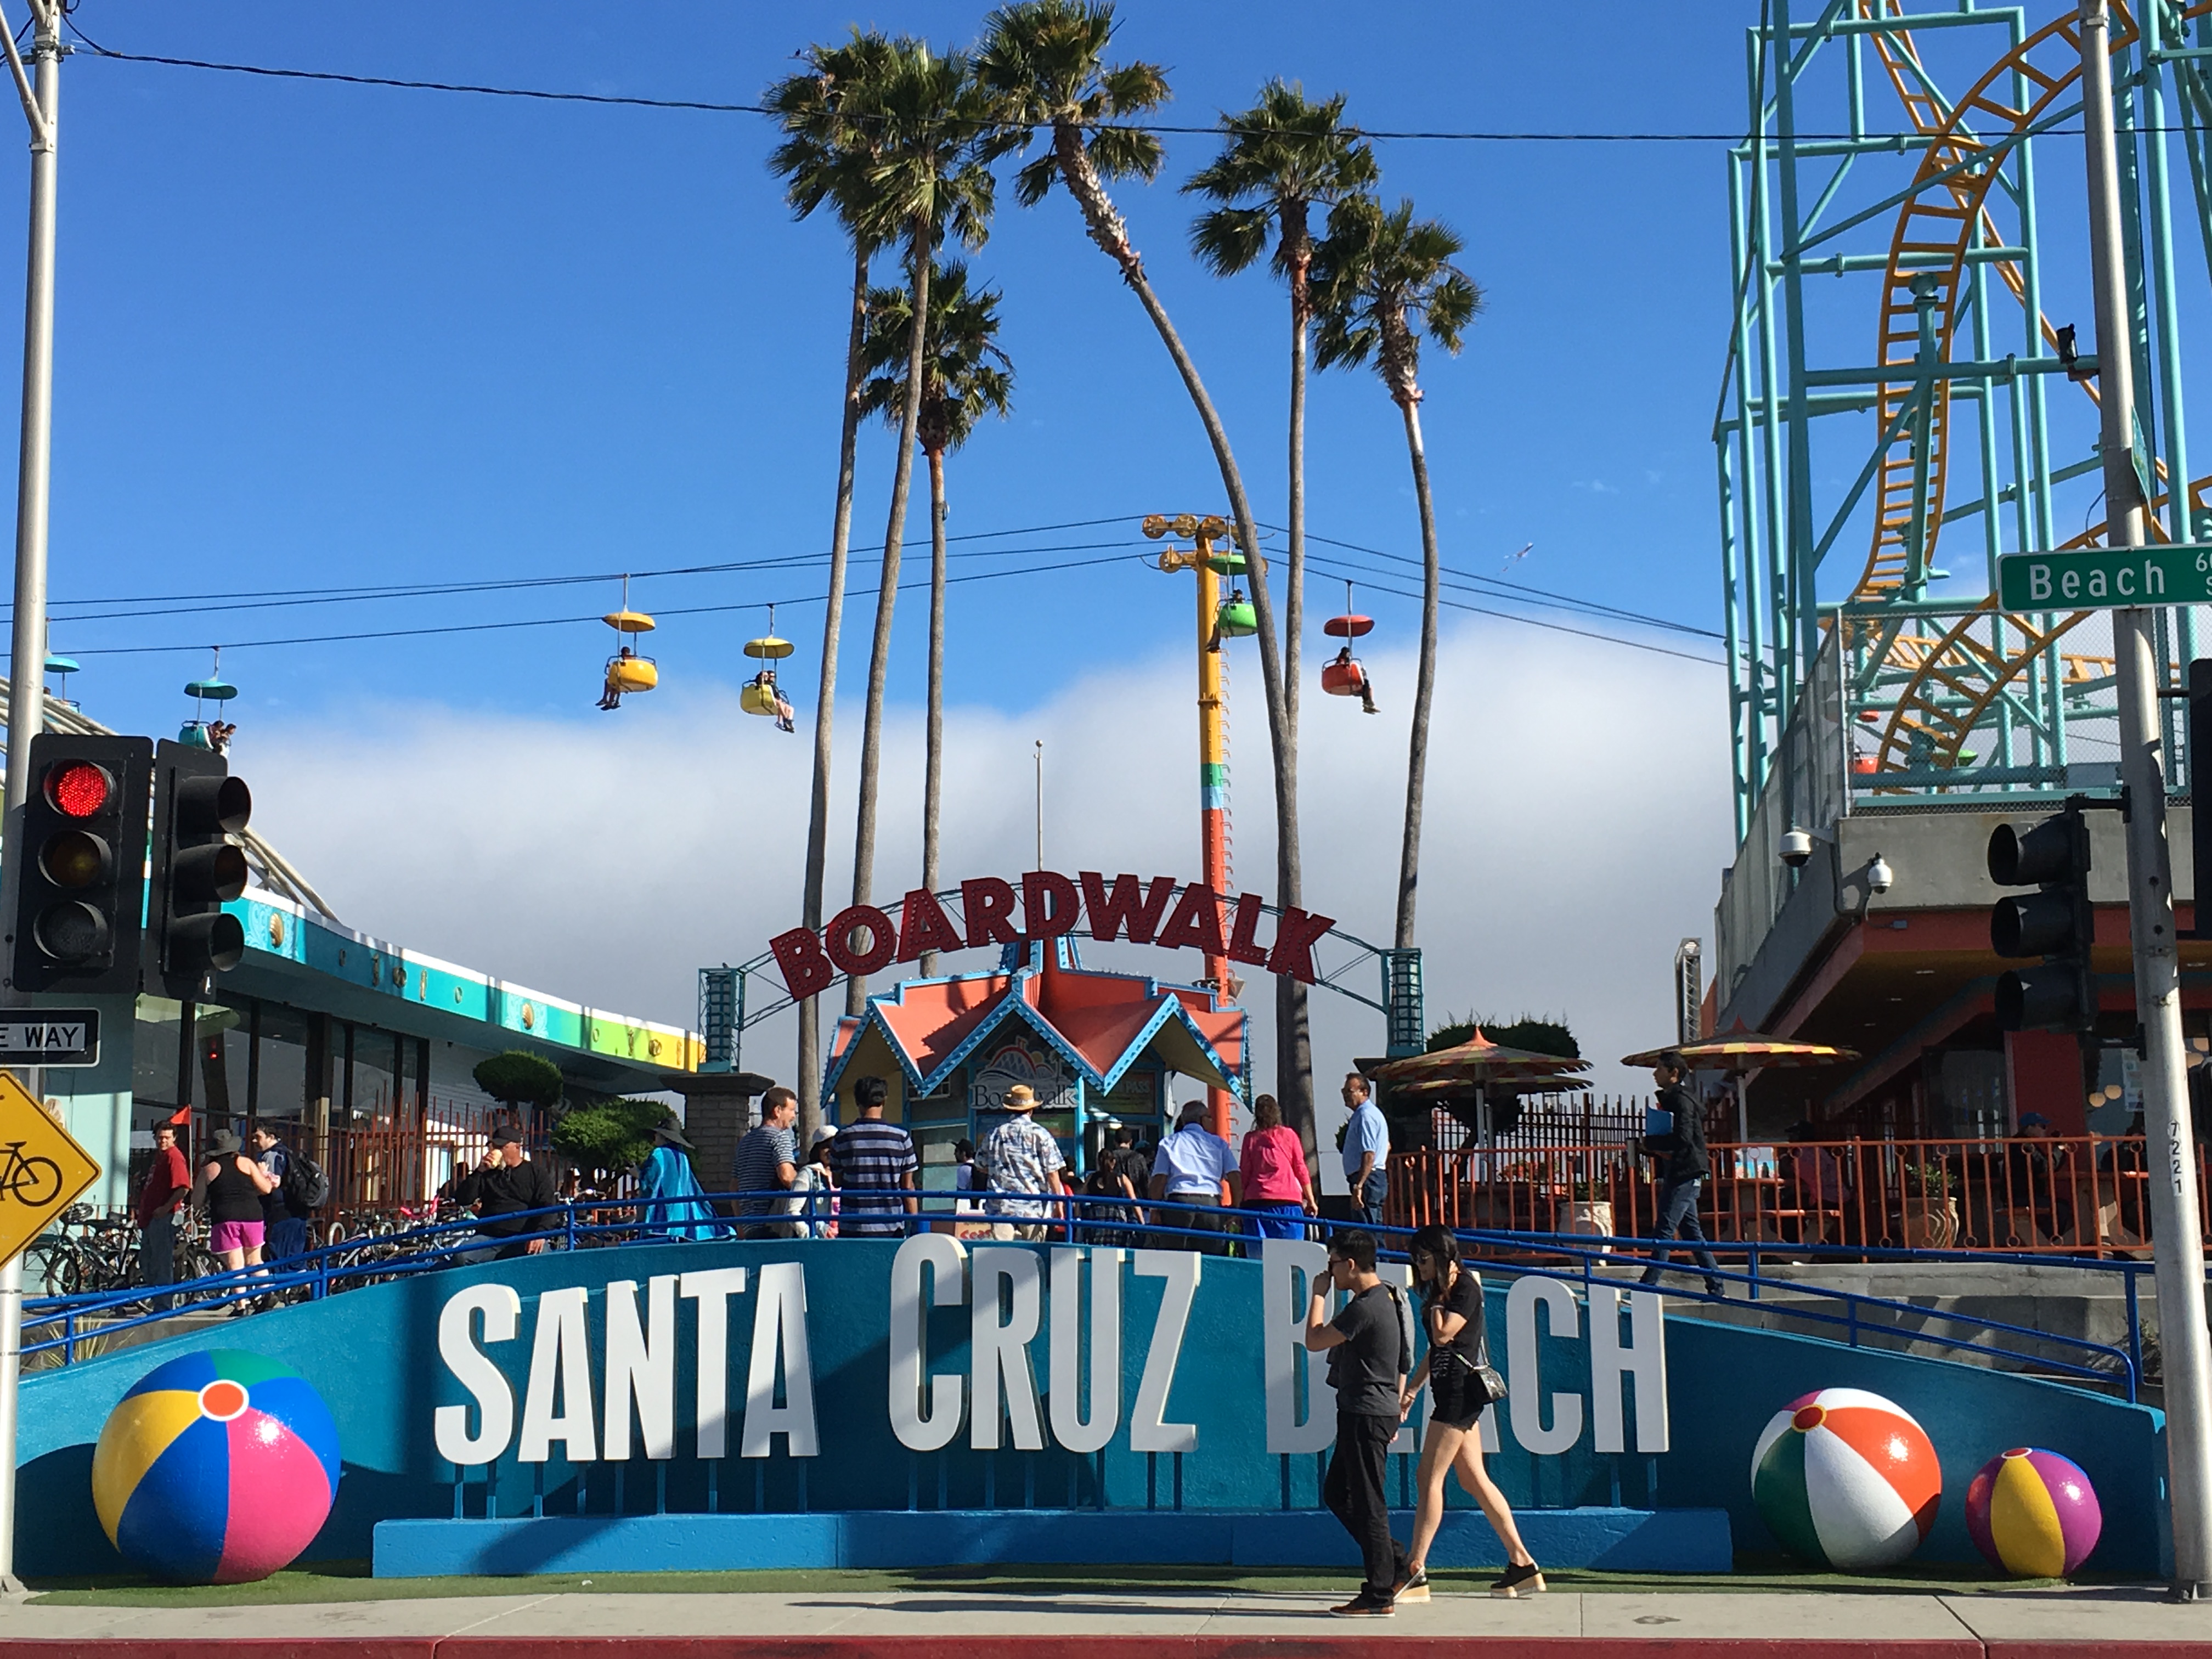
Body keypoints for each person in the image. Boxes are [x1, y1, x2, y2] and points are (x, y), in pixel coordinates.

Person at [1397, 1224, 1543, 1601]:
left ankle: (1415, 1568)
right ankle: (1522, 1563)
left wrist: (1436, 1310)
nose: (1419, 1265)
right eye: (1416, 1259)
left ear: (1441, 1255)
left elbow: (1445, 1334)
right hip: (1448, 1389)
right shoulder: (1443, 1292)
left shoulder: (1464, 1289)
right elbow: (1437, 1349)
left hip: (1461, 1394)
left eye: (1423, 1258)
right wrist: (1413, 1387)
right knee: (1473, 1478)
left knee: (1428, 1474)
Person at [1303, 1229, 1414, 1617]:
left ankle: (1379, 1592)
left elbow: (1314, 1340)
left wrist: (1317, 1294)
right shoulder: (1385, 1297)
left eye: (1332, 1265)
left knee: (1369, 1503)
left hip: (1366, 1411)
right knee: (1339, 1493)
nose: (1329, 1272)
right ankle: (1398, 1563)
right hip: (1366, 1409)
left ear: (1350, 1265)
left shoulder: (1365, 1306)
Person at [1638, 1052, 1724, 1299]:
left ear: (1673, 1073)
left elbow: (1683, 1138)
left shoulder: (1680, 1100)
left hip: (1684, 1172)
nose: (1655, 1074)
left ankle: (1646, 1288)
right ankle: (1716, 1285)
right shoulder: (1678, 1098)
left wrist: (1650, 1142)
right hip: (1685, 1171)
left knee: (1664, 1230)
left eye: (1659, 1069)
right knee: (1692, 1234)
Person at [193, 1128, 276, 1314]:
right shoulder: (246, 1163)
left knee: (235, 1264)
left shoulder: (209, 1170)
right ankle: (268, 1291)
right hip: (253, 1215)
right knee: (255, 1260)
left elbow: (196, 1202)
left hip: (225, 1218)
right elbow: (266, 1189)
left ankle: (241, 1305)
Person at [827, 1076, 920, 1239]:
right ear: (884, 1100)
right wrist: (915, 1224)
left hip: (853, 1226)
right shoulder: (902, 1138)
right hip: (892, 1227)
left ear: (857, 1101)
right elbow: (907, 1186)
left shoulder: (843, 1138)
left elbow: (837, 1181)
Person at [453, 1127, 561, 1259]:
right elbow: (463, 1199)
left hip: (524, 1236)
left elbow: (549, 1207)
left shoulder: (536, 1173)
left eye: (502, 1147)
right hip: (490, 1236)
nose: (496, 1151)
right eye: (494, 1147)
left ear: (517, 1147)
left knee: (542, 1256)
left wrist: (540, 1234)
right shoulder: (487, 1174)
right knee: (462, 1256)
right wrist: (479, 1171)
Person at [1152, 1101, 1243, 1254]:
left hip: (1178, 1203)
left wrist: (1155, 1209)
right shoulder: (1219, 1143)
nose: (1212, 1121)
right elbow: (1235, 1176)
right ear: (1202, 1119)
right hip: (1211, 1205)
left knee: (1174, 1257)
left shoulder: (1169, 1143)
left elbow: (1160, 1179)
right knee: (1211, 1258)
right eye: (1209, 1117)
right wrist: (1236, 1208)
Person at [981, 1084, 1066, 1242]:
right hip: (1033, 1206)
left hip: (1001, 1206)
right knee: (1035, 1258)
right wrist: (1059, 1204)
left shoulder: (994, 1134)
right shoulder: (1041, 1134)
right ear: (1031, 1110)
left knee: (1001, 1259)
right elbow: (1053, 1173)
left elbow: (982, 1166)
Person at [1240, 1094, 1318, 1241]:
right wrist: (1311, 1200)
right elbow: (1301, 1169)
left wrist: (1240, 1201)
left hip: (1256, 1201)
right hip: (1288, 1202)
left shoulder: (1250, 1139)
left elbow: (1245, 1173)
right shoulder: (1289, 1135)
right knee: (1291, 1254)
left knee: (1259, 1257)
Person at [636, 1121, 731, 1241]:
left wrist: (637, 1174)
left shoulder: (659, 1154)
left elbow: (649, 1184)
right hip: (686, 1224)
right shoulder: (683, 1157)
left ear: (663, 1136)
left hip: (662, 1223)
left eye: (656, 1134)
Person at [134, 1122, 191, 1306]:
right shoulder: (160, 1157)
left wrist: (165, 1208)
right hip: (151, 1217)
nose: (163, 1141)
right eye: (160, 1137)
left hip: (163, 1217)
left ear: (174, 1138)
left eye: (167, 1137)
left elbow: (183, 1187)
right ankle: (159, 1301)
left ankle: (164, 1305)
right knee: (147, 1261)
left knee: (160, 1262)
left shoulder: (174, 1157)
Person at [734, 1087, 801, 1239]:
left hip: (748, 1224)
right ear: (778, 1111)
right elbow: (786, 1176)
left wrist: (740, 1225)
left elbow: (734, 1186)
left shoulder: (744, 1142)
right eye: (791, 1110)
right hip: (773, 1222)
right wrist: (806, 1183)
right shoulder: (779, 1138)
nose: (793, 1116)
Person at [251, 1126, 311, 1266]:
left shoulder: (271, 1156)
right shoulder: (288, 1153)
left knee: (278, 1262)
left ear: (271, 1137)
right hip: (296, 1211)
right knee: (295, 1262)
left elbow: (269, 1187)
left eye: (258, 1137)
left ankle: (318, 1286)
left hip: (280, 1214)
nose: (254, 1140)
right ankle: (318, 1287)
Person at [1342, 1073, 1390, 1228]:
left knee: (1366, 1231)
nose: (1345, 1096)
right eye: (1344, 1092)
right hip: (1374, 1177)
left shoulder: (1365, 1115)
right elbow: (1387, 1146)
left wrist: (1360, 1185)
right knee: (1374, 1228)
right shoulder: (1371, 1113)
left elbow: (1369, 1153)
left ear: (1364, 1092)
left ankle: (1375, 1253)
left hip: (1368, 1179)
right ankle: (1380, 1253)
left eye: (1349, 1091)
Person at [788, 1128, 837, 1238]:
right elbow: (792, 1212)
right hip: (819, 1241)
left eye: (835, 1146)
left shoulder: (845, 1174)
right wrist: (810, 1235)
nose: (831, 1151)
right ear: (817, 1150)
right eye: (826, 1146)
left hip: (843, 1238)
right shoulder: (808, 1174)